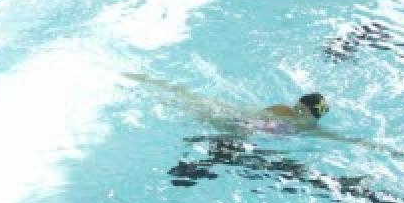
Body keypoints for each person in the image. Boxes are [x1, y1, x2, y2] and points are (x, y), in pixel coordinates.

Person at [124, 73, 331, 137]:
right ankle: (146, 84)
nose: (297, 111)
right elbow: (256, 120)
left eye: (302, 110)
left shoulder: (312, 129)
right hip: (240, 119)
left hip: (244, 124)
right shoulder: (283, 111)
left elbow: (337, 138)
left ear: (314, 115)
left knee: (194, 107)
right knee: (191, 104)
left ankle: (148, 89)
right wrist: (245, 128)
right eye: (298, 107)